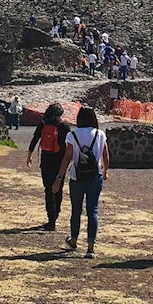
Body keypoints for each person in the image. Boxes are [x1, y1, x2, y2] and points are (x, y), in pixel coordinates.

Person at [52, 107, 109, 259]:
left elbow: (67, 158)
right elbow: (106, 156)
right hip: (95, 176)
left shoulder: (72, 135)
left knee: (76, 210)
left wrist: (59, 178)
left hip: (77, 177)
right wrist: (105, 172)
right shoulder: (100, 134)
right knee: (93, 210)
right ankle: (90, 246)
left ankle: (74, 239)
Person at [27, 103, 70, 231]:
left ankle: (50, 219)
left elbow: (34, 139)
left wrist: (29, 156)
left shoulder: (43, 124)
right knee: (58, 188)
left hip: (46, 160)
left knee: (48, 189)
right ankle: (56, 215)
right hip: (60, 161)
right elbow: (70, 143)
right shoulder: (63, 125)